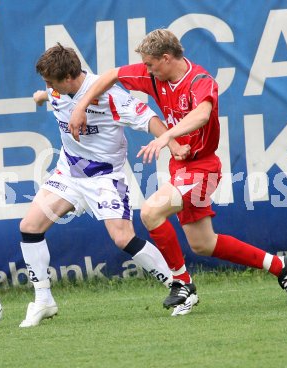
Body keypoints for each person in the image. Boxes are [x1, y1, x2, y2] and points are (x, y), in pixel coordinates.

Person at [69, 29, 287, 308]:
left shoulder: (200, 80)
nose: (147, 70)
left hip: (203, 169)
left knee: (151, 211)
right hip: (180, 168)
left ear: (166, 58)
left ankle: (182, 284)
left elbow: (202, 114)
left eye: (150, 64)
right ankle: (280, 266)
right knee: (203, 243)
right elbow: (111, 75)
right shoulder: (154, 77)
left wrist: (167, 136)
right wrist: (80, 106)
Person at [18, 43, 195, 328]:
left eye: (51, 83)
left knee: (122, 238)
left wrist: (172, 142)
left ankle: (181, 288)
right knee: (29, 227)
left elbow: (149, 118)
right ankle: (43, 301)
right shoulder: (56, 91)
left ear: (68, 78)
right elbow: (50, 97)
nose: (48, 86)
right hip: (69, 173)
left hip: (104, 178)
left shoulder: (110, 96)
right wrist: (41, 96)